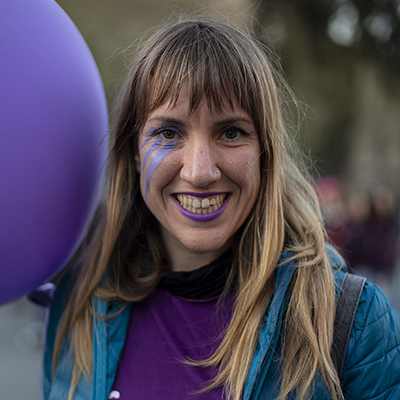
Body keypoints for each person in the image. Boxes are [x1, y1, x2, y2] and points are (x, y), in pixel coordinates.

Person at [42, 18, 400, 400]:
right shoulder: (79, 303)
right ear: (133, 152)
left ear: (265, 152)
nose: (199, 172)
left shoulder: (352, 322)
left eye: (230, 132)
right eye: (168, 132)